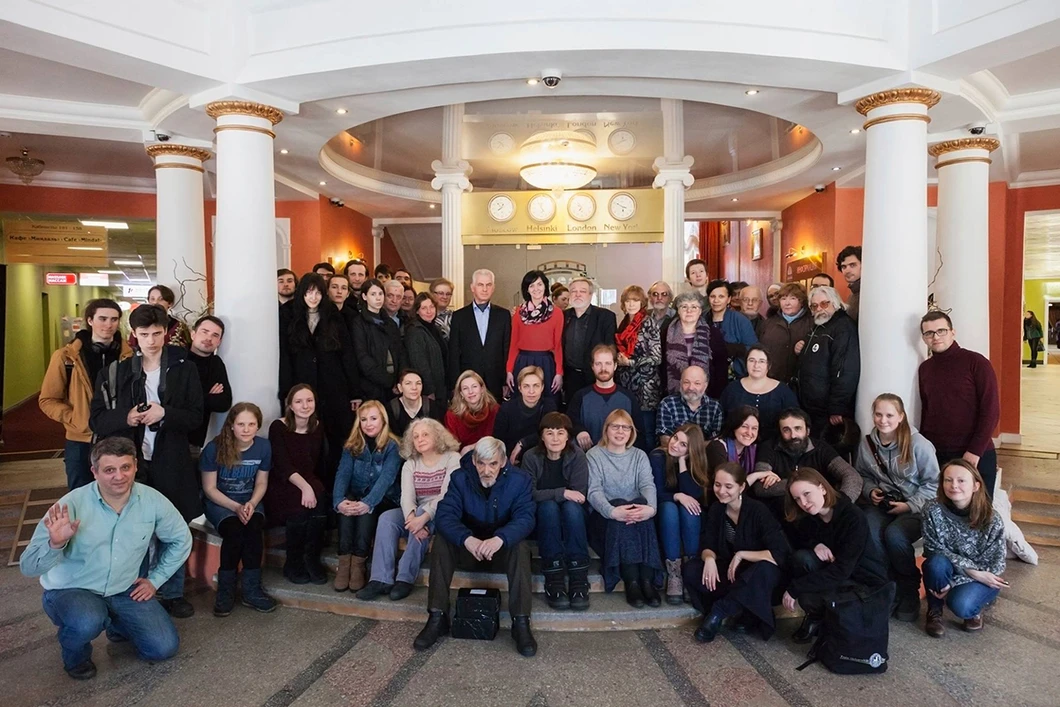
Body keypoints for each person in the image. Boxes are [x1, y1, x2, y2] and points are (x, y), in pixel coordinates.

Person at [19, 437, 191, 681]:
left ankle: (115, 622)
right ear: (94, 472)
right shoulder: (70, 505)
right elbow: (28, 566)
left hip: (124, 587)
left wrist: (155, 580)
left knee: (163, 648)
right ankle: (76, 656)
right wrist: (55, 544)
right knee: (87, 621)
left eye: (125, 467)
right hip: (73, 589)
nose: (119, 476)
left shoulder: (152, 500)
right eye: (109, 470)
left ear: (135, 466)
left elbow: (181, 539)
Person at [90, 303, 202, 619]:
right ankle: (131, 594)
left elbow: (196, 417)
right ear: (133, 334)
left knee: (173, 529)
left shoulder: (184, 368)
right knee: (131, 532)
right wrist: (126, 417)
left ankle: (173, 593)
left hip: (171, 460)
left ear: (166, 333)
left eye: (156, 334)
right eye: (144, 334)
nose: (151, 341)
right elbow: (96, 420)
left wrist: (165, 413)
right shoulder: (117, 372)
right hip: (131, 463)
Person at [414, 437, 538, 657]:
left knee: (520, 547)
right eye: (481, 463)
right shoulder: (459, 478)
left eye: (493, 464)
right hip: (469, 549)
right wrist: (467, 539)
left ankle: (520, 622)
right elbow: (445, 516)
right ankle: (437, 616)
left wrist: (499, 539)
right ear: (473, 461)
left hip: (500, 550)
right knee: (442, 541)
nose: (486, 470)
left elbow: (526, 519)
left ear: (503, 462)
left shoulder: (520, 480)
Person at [855, 393, 940, 622]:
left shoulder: (919, 445)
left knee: (895, 535)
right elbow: (862, 475)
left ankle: (908, 587)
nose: (883, 420)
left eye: (889, 415)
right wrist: (870, 491)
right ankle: (886, 585)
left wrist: (909, 505)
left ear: (901, 416)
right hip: (883, 504)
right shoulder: (867, 444)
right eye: (878, 414)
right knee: (867, 529)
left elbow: (934, 484)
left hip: (916, 507)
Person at [683, 461, 789, 643]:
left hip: (760, 572)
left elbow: (779, 553)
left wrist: (741, 554)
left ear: (741, 487)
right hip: (734, 571)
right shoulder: (717, 509)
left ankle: (718, 612)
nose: (721, 491)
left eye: (728, 486)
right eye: (717, 485)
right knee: (691, 569)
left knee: (763, 570)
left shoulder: (758, 510)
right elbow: (708, 543)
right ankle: (745, 608)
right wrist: (709, 559)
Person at [358, 418, 461, 601]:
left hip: (444, 511)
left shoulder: (452, 458)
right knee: (387, 518)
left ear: (437, 436)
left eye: (425, 434)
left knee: (422, 512)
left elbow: (447, 494)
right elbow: (406, 497)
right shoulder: (410, 463)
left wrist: (422, 518)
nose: (420, 439)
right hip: (417, 512)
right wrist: (412, 519)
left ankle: (404, 578)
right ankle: (380, 579)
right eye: (416, 436)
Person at [782, 467, 888, 644]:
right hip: (836, 572)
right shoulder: (809, 515)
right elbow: (797, 535)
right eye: (797, 499)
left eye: (807, 494)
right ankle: (819, 617)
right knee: (802, 560)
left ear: (822, 488)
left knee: (807, 595)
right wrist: (815, 544)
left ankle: (828, 619)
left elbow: (842, 571)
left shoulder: (853, 517)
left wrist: (795, 588)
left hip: (862, 581)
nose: (803, 503)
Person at [40, 298, 130, 490]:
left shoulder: (129, 356)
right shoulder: (66, 357)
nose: (109, 325)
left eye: (114, 319)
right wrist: (75, 419)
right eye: (102, 318)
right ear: (90, 320)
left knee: (120, 492)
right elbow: (48, 399)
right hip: (81, 439)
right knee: (80, 494)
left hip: (120, 435)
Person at [279, 273, 360, 477]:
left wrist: (354, 392)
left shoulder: (333, 314)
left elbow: (347, 355)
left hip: (334, 386)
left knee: (337, 437)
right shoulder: (288, 314)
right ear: (302, 293)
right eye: (309, 292)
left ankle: (335, 484)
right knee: (304, 438)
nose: (313, 297)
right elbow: (284, 356)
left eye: (317, 293)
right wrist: (286, 392)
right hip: (302, 384)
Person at [200, 403, 275, 616]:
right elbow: (209, 488)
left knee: (253, 529)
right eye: (241, 424)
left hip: (250, 499)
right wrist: (235, 507)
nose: (246, 429)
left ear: (258, 426)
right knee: (234, 531)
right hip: (220, 502)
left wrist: (251, 503)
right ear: (231, 425)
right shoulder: (214, 448)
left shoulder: (264, 447)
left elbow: (261, 482)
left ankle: (252, 590)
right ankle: (226, 590)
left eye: (251, 424)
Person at [918, 311, 1000, 498]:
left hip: (974, 453)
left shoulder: (976, 362)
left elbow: (991, 410)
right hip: (938, 455)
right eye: (929, 333)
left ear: (952, 332)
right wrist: (925, 450)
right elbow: (927, 411)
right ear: (924, 338)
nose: (935, 337)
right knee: (944, 510)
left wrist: (975, 451)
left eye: (941, 331)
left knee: (978, 511)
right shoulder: (925, 369)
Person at [922, 459, 1007, 638]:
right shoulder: (932, 509)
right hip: (959, 570)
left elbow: (996, 565)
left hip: (982, 575)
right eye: (948, 480)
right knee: (935, 563)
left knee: (962, 606)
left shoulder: (992, 519)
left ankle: (976, 607)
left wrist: (955, 582)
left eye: (961, 480)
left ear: (976, 485)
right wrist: (968, 570)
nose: (954, 485)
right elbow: (932, 548)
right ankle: (934, 611)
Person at [587, 409, 661, 608]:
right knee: (621, 503)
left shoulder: (639, 455)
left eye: (625, 428)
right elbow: (594, 491)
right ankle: (632, 581)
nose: (620, 432)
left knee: (642, 505)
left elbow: (647, 484)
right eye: (615, 427)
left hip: (636, 517)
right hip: (604, 518)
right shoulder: (594, 455)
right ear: (606, 429)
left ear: (631, 432)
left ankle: (646, 579)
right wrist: (612, 511)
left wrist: (651, 509)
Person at [521, 412, 591, 610]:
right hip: (543, 519)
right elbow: (528, 493)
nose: (555, 438)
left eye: (560, 433)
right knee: (549, 507)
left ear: (568, 436)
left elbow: (580, 495)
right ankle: (554, 578)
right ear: (542, 436)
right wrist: (562, 493)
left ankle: (579, 577)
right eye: (549, 433)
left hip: (573, 518)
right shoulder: (531, 457)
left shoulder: (577, 455)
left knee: (571, 508)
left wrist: (562, 495)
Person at [332, 400, 402, 592]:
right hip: (357, 494)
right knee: (346, 508)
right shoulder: (352, 445)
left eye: (373, 418)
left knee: (366, 513)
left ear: (383, 420)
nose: (368, 423)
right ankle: (344, 563)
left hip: (383, 498)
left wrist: (368, 503)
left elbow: (386, 479)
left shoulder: (393, 446)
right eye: (364, 419)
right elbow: (343, 474)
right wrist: (339, 501)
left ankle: (358, 565)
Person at [265, 384, 329, 586]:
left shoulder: (317, 425)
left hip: (307, 478)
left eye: (309, 400)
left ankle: (311, 558)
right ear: (290, 405)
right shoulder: (278, 427)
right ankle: (293, 562)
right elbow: (282, 465)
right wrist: (305, 487)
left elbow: (315, 462)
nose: (305, 405)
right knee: (299, 507)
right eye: (299, 401)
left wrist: (311, 487)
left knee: (321, 499)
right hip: (283, 481)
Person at [752, 408, 863, 519]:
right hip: (784, 514)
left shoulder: (821, 448)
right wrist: (807, 488)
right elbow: (759, 487)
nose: (793, 435)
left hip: (820, 512)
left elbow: (852, 476)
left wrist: (840, 506)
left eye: (798, 428)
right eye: (786, 430)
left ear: (808, 431)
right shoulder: (769, 448)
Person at [650, 424, 710, 604]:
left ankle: (691, 571)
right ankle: (674, 573)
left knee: (689, 509)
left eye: (683, 445)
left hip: (687, 517)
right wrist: (678, 496)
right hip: (663, 512)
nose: (675, 445)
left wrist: (683, 463)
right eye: (675, 438)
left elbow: (695, 495)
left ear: (692, 450)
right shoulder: (657, 457)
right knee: (670, 508)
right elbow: (655, 493)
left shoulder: (695, 463)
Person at [796, 285, 859, 439]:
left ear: (835, 303)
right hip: (812, 407)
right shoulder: (819, 325)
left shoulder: (843, 327)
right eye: (814, 306)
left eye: (824, 304)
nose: (819, 309)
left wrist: (837, 407)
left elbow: (844, 370)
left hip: (828, 410)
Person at [447, 269, 511, 401]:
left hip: (496, 380)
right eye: (480, 285)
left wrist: (505, 381)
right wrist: (455, 383)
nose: (485, 289)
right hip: (468, 382)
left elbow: (506, 349)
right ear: (472, 288)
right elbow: (454, 352)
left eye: (488, 285)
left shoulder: (503, 315)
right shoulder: (459, 316)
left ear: (493, 288)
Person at [566, 344, 646, 450]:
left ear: (615, 366)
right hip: (587, 456)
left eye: (608, 363)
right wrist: (579, 431)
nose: (603, 368)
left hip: (621, 457)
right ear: (592, 366)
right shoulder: (580, 397)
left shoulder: (628, 398)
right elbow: (569, 423)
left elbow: (639, 435)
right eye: (598, 364)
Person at [616, 284, 664, 444]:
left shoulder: (649, 323)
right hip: (626, 383)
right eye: (628, 301)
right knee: (629, 428)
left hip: (645, 386)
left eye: (635, 300)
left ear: (642, 303)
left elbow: (656, 357)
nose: (631, 304)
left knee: (646, 429)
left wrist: (630, 362)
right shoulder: (624, 323)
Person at [507, 269, 564, 399]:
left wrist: (559, 372)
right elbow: (513, 344)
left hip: (546, 362)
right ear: (527, 289)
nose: (536, 289)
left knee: (547, 401)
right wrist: (509, 370)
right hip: (523, 361)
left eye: (539, 284)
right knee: (522, 401)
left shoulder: (556, 313)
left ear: (545, 286)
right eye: (531, 285)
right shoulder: (519, 313)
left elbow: (558, 345)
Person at [720, 346, 798, 440]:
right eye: (751, 360)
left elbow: (794, 420)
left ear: (769, 365)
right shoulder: (732, 389)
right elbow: (723, 420)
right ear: (746, 363)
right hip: (737, 444)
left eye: (761, 361)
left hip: (774, 445)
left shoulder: (783, 391)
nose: (756, 365)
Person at [562, 277, 617, 405]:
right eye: (574, 291)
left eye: (582, 291)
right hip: (570, 377)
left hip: (595, 376)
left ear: (590, 295)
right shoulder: (563, 316)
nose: (578, 294)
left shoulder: (605, 316)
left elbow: (610, 347)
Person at [351, 278, 406, 404]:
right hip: (371, 386)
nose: (378, 298)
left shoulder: (390, 323)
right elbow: (362, 357)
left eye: (380, 294)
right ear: (364, 296)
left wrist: (399, 379)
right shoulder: (358, 323)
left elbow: (400, 352)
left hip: (394, 386)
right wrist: (387, 380)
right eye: (373, 294)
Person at [704, 279, 759, 398]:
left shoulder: (741, 320)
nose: (716, 300)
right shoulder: (702, 319)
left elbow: (754, 349)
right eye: (712, 296)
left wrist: (735, 349)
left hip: (734, 377)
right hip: (707, 377)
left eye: (721, 296)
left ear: (728, 299)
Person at [494, 365, 557, 465]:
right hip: (511, 459)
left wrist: (522, 443)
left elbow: (549, 433)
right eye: (526, 386)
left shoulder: (549, 405)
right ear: (520, 388)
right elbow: (498, 439)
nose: (531, 391)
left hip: (541, 458)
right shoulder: (507, 408)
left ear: (542, 387)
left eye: (536, 386)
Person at [186, 315, 232, 451]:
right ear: (193, 334)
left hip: (195, 440)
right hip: (168, 435)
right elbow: (175, 400)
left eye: (215, 335)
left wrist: (194, 398)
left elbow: (224, 403)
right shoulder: (178, 359)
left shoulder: (216, 364)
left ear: (219, 342)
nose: (209, 338)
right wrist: (208, 396)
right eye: (204, 332)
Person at [757, 282, 811, 385]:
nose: (787, 303)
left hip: (801, 384)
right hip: (771, 381)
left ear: (801, 301)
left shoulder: (812, 323)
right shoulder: (768, 323)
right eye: (783, 299)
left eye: (793, 298)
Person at [656, 365, 723, 446]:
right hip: (673, 452)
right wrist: (690, 448)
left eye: (697, 383)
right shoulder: (668, 404)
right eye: (686, 382)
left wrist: (689, 448)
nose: (691, 388)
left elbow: (715, 442)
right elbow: (665, 439)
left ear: (705, 386)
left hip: (705, 453)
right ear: (680, 383)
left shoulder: (715, 408)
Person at [662, 292, 711, 395]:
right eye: (684, 307)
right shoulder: (666, 332)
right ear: (678, 310)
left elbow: (719, 365)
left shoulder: (712, 333)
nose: (689, 310)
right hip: (672, 391)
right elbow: (661, 365)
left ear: (700, 311)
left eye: (694, 307)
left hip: (705, 393)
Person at [705, 406, 768, 484]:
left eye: (754, 428)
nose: (749, 433)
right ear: (734, 426)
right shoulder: (716, 448)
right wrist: (756, 475)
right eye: (744, 426)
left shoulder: (754, 448)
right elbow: (729, 484)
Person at [404, 292, 448, 401]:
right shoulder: (415, 331)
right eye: (424, 308)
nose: (429, 311)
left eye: (431, 307)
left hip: (441, 387)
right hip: (428, 391)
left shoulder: (435, 329)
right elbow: (419, 364)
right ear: (417, 311)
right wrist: (429, 390)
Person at [445, 370, 500, 454]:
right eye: (465, 388)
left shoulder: (494, 409)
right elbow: (451, 446)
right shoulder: (452, 415)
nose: (470, 391)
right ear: (461, 394)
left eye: (474, 386)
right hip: (462, 456)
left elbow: (499, 439)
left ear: (482, 389)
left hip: (491, 454)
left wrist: (472, 447)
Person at [128, 285, 190, 350]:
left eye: (161, 299)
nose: (156, 302)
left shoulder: (178, 326)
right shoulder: (140, 322)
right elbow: (132, 346)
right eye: (152, 299)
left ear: (170, 303)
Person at [387, 369, 446, 437]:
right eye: (408, 383)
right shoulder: (392, 408)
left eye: (418, 383)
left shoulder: (432, 406)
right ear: (400, 387)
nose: (414, 387)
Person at [837, 245, 861, 322]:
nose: (847, 270)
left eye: (852, 265)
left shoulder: (870, 293)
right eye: (844, 267)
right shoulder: (852, 295)